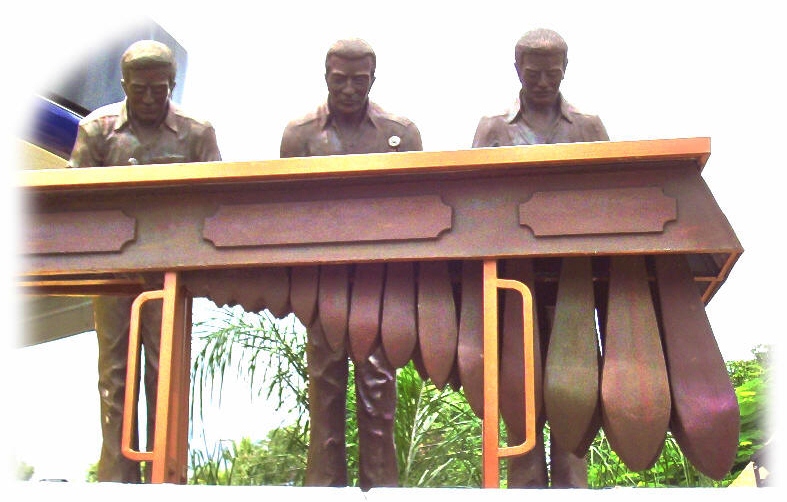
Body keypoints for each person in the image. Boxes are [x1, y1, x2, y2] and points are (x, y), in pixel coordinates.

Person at [68, 39, 221, 482]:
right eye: (140, 89)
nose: (151, 98)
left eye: (160, 89)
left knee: (166, 370)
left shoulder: (197, 133)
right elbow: (71, 201)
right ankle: (117, 474)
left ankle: (165, 473)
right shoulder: (96, 130)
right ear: (123, 85)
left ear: (173, 84)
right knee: (113, 374)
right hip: (112, 270)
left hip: (169, 271)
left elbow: (217, 201)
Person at [280, 38, 422, 490]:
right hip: (321, 276)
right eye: (339, 80)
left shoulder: (400, 132)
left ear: (373, 79)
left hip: (380, 277)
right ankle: (323, 488)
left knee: (379, 384)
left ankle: (381, 489)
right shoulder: (300, 134)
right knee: (324, 383)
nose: (348, 89)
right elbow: (283, 209)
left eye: (359, 81)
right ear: (326, 76)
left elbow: (420, 206)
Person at [472, 28, 609, 488]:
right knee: (520, 404)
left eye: (553, 73)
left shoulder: (589, 128)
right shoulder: (493, 129)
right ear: (517, 71)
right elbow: (475, 203)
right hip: (514, 282)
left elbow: (610, 198)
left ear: (565, 71)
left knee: (574, 400)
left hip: (573, 277)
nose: (544, 82)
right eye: (534, 74)